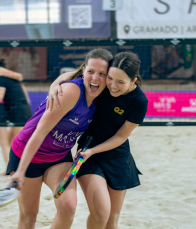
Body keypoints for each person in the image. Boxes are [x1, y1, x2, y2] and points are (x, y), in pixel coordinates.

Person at [6, 48, 113, 229]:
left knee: (68, 207)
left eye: (102, 74)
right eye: (91, 72)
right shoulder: (71, 91)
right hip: (28, 154)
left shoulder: (103, 97)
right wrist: (20, 171)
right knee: (29, 217)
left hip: (58, 157)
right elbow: (39, 132)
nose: (95, 78)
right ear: (84, 70)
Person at [47, 51, 148, 229]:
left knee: (112, 220)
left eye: (120, 82)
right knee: (101, 213)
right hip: (88, 152)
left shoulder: (139, 101)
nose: (113, 86)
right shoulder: (101, 84)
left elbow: (121, 136)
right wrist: (55, 85)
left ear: (133, 80)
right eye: (110, 78)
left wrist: (94, 150)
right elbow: (73, 74)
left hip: (117, 156)